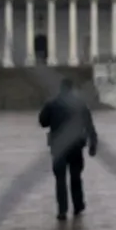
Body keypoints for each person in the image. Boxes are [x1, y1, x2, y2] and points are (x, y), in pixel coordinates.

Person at [39, 79, 98, 220]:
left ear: (61, 88)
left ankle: (62, 210)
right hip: (76, 144)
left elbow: (42, 122)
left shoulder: (52, 103)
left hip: (58, 145)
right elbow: (89, 124)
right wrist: (93, 143)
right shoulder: (79, 103)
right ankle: (78, 205)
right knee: (76, 176)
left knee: (60, 179)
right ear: (72, 89)